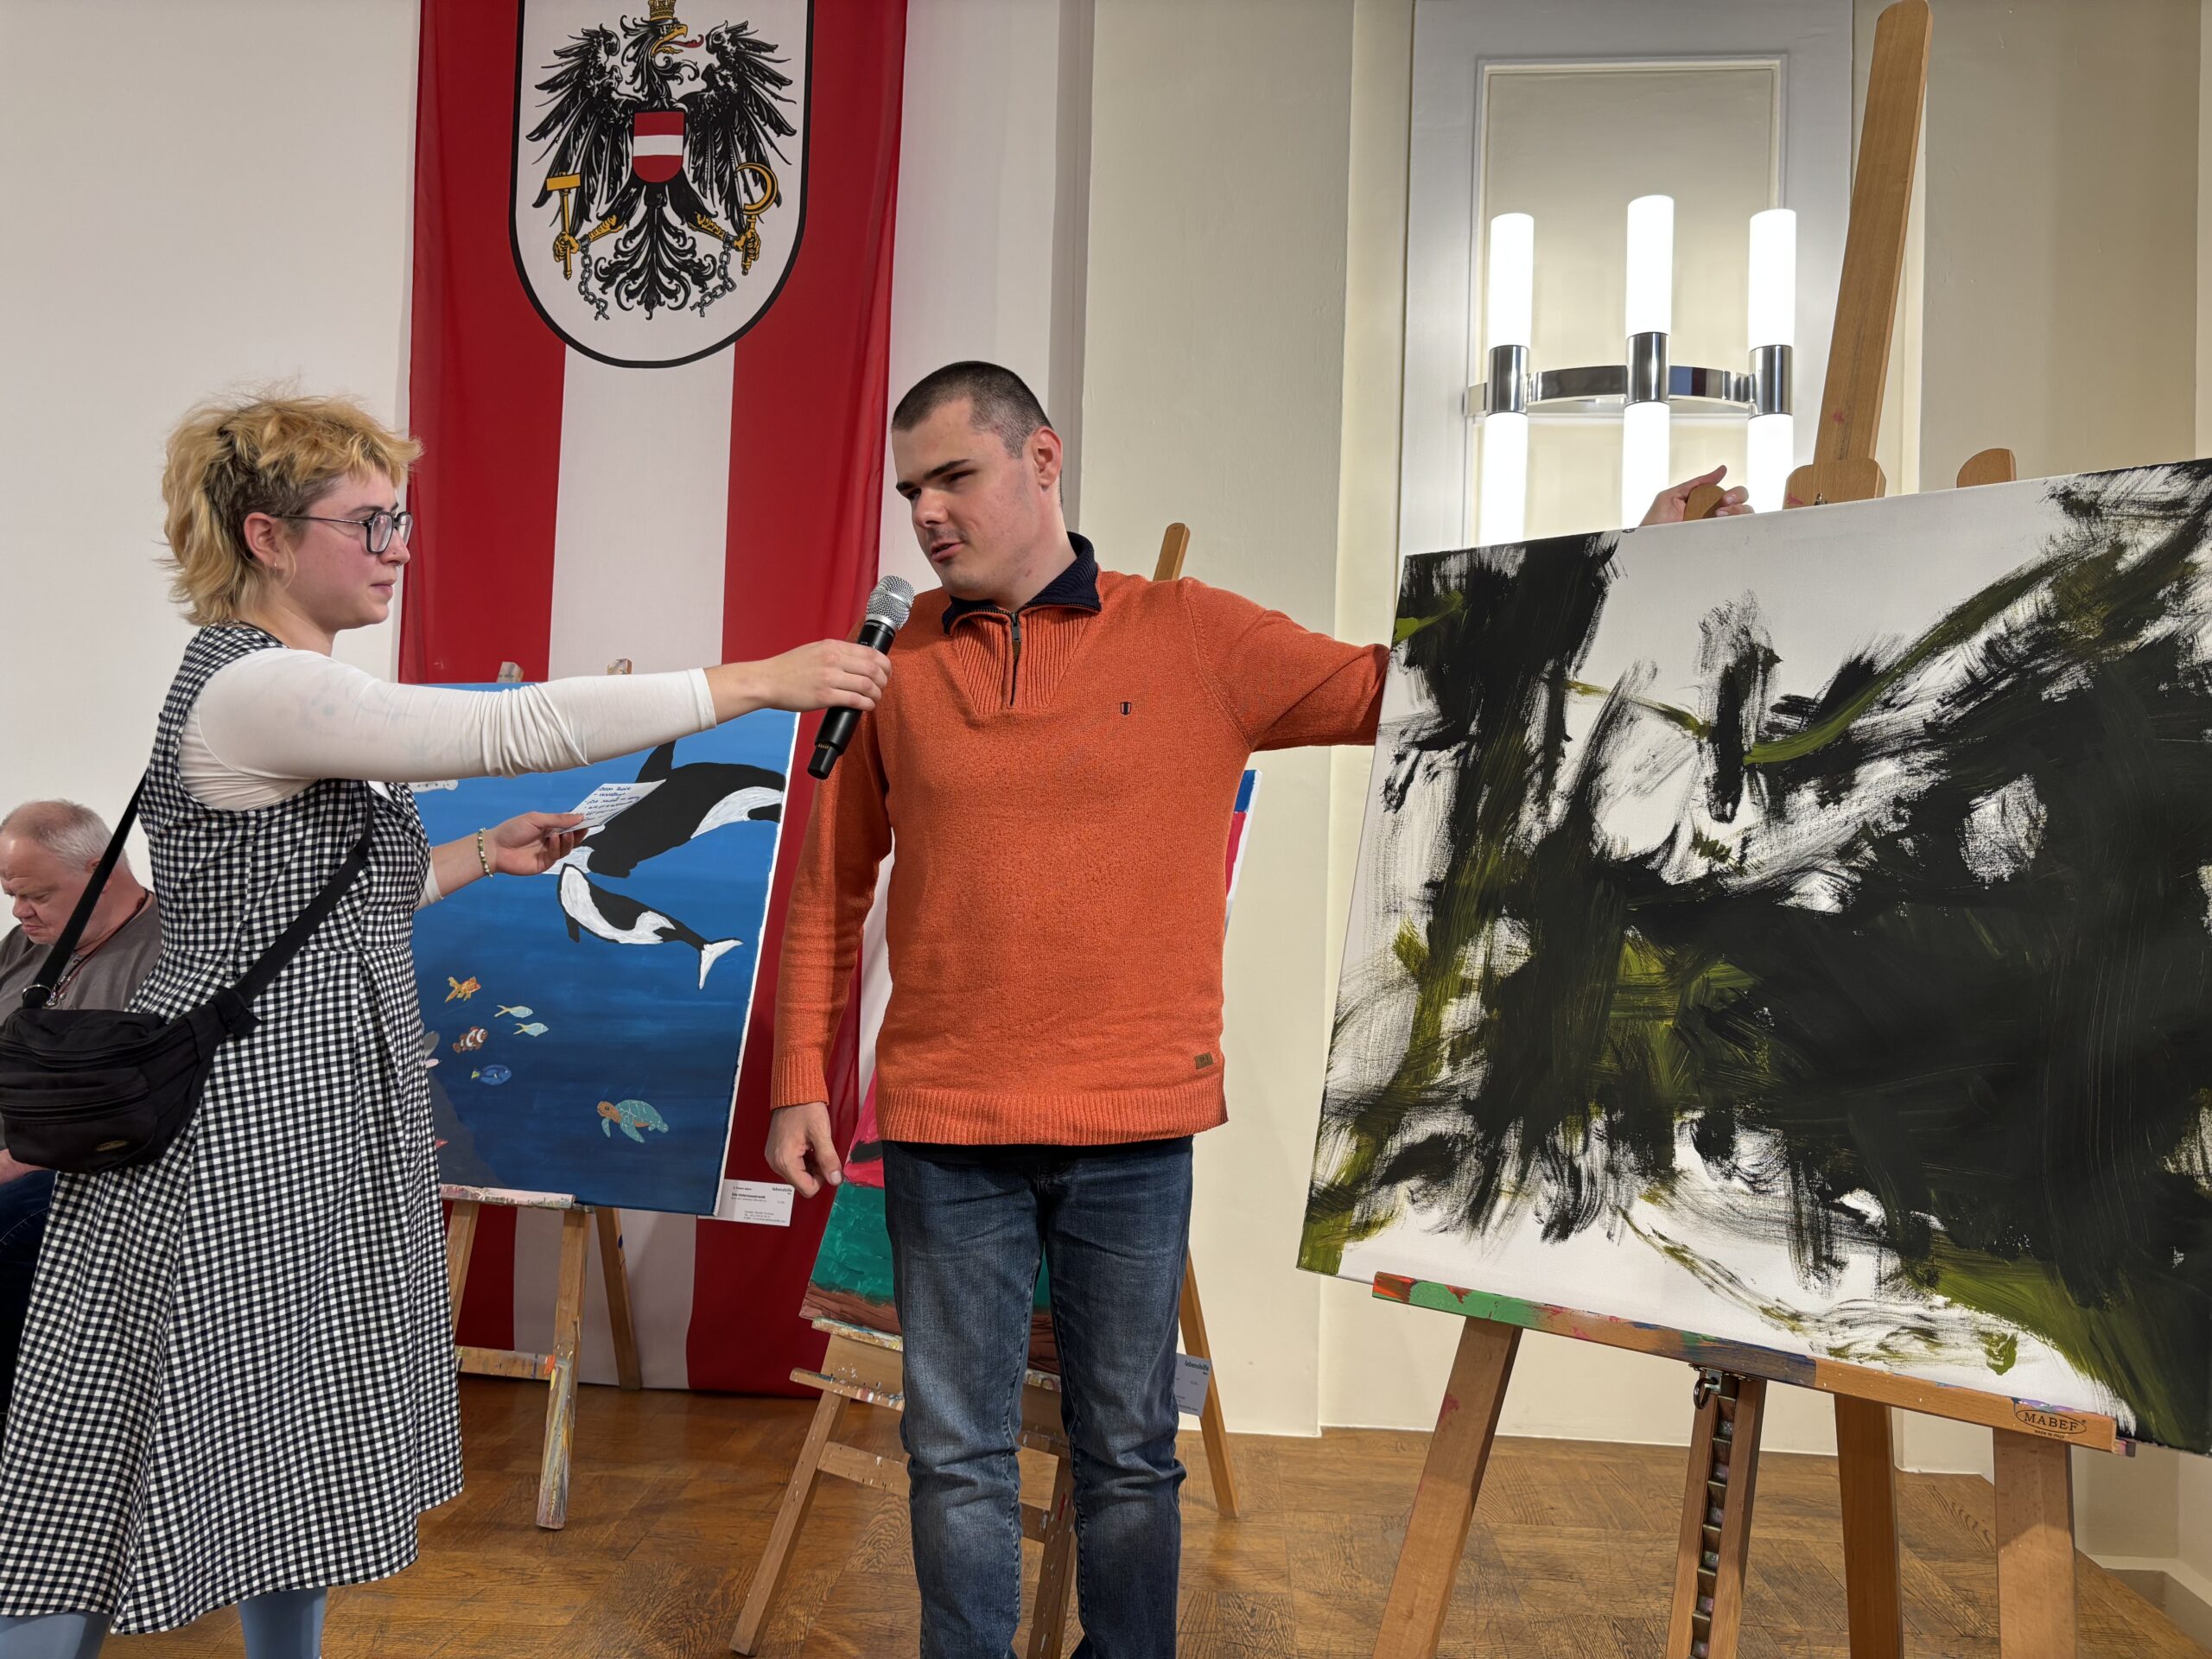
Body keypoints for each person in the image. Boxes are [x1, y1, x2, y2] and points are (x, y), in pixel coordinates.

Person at [764, 360, 1758, 1658]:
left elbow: (1417, 681)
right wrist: (800, 1073)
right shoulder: (888, 667)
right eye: (911, 492)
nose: (929, 515)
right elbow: (829, 887)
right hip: (945, 1125)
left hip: (1131, 1127)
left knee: (1127, 1451)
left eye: (954, 476)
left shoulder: (1192, 634)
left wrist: (1631, 560)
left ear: (1043, 460)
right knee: (953, 1455)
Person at [0, 392, 889, 1659]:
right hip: (233, 1127)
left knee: (295, 1436)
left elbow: (317, 908)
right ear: (265, 535)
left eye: (399, 517)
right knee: (118, 1451)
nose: (398, 546)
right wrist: (757, 682)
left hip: (315, 1115)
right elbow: (510, 727)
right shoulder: (253, 689)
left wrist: (481, 855)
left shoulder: (299, 694)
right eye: (367, 522)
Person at [0, 803, 164, 1431]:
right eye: (13, 895)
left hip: (88, 1169)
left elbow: (143, 1110)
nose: (20, 912)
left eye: (37, 895)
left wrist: (16, 1161)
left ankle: (28, 1436)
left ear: (99, 871)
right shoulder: (25, 945)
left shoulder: (169, 953)